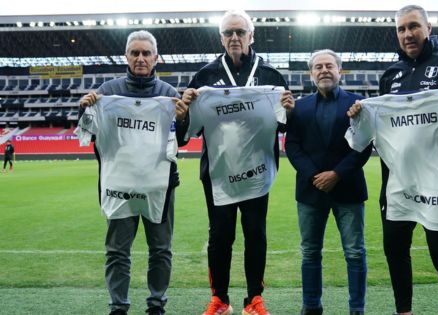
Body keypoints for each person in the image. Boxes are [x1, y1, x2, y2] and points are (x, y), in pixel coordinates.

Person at [347, 5, 438, 315]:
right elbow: (376, 126)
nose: (407, 34)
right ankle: (404, 312)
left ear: (428, 28)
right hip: (397, 183)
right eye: (401, 29)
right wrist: (361, 117)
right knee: (395, 251)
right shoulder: (391, 75)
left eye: (413, 26)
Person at [178, 10, 294, 315]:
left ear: (251, 36)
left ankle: (254, 298)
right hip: (218, 173)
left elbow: (284, 126)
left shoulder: (271, 76)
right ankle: (220, 299)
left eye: (240, 32)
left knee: (255, 234)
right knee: (219, 237)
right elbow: (188, 131)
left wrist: (289, 110)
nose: (234, 38)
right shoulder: (204, 77)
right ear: (220, 38)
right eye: (228, 33)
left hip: (257, 172)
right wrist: (187, 108)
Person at [79, 30, 188, 315]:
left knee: (161, 250)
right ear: (126, 56)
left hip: (160, 186)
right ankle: (118, 306)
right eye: (135, 53)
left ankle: (156, 305)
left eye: (146, 53)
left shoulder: (169, 94)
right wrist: (85, 110)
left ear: (156, 58)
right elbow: (91, 134)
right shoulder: (107, 92)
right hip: (119, 186)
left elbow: (183, 139)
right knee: (117, 251)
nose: (140, 58)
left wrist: (182, 118)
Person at [285, 50, 372, 315]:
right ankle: (312, 305)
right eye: (318, 66)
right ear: (311, 74)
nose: (324, 70)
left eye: (329, 66)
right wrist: (315, 176)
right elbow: (292, 146)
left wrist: (336, 174)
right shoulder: (298, 107)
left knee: (355, 252)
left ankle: (357, 308)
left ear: (339, 71)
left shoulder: (358, 103)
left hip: (348, 188)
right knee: (310, 252)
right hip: (310, 191)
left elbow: (363, 146)